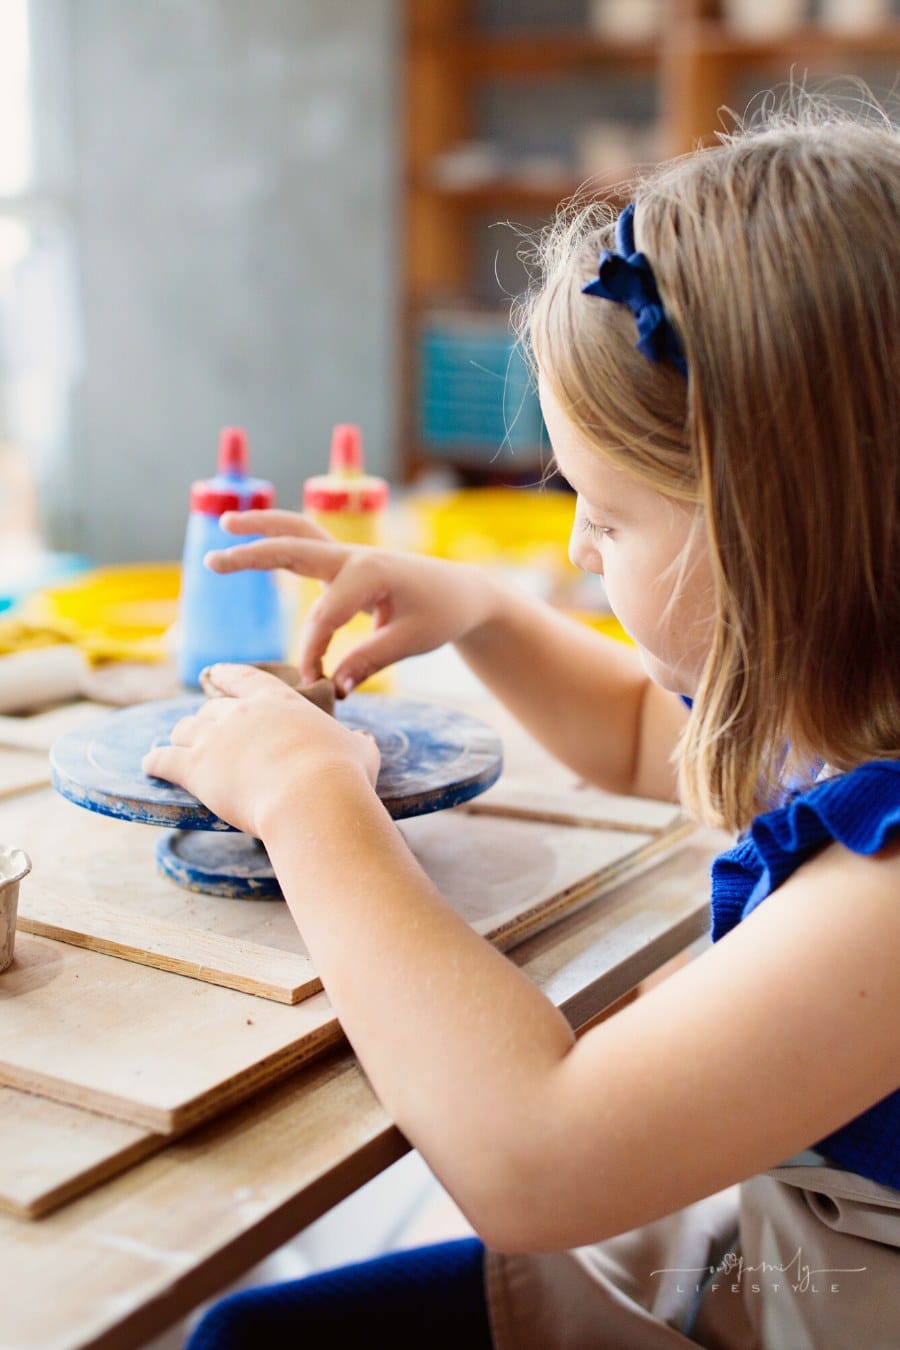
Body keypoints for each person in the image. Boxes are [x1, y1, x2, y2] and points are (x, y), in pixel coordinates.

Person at [146, 105, 900, 1348]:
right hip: (765, 1262)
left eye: (604, 517)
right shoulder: (849, 716)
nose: (572, 546)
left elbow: (534, 1156)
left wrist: (308, 799)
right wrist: (481, 611)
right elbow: (626, 732)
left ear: (779, 531)